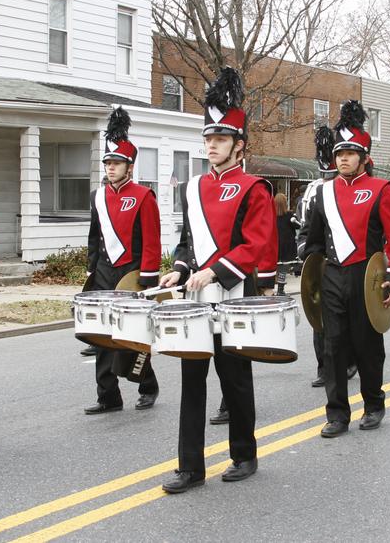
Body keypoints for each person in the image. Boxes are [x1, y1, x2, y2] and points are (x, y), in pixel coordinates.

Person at [157, 68, 276, 494]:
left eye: (220, 139)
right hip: (194, 300)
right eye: (208, 138)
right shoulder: (192, 188)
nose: (211, 145)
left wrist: (216, 271)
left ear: (239, 145)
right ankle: (190, 467)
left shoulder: (253, 187)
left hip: (233, 296)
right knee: (192, 381)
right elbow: (187, 242)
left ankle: (244, 454)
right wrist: (181, 267)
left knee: (235, 380)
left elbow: (256, 245)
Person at [303, 100, 390, 437]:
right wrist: (309, 273)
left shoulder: (381, 190)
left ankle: (374, 404)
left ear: (364, 157)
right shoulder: (324, 193)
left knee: (367, 346)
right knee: (333, 346)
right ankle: (337, 414)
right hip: (333, 275)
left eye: (350, 153)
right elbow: (315, 242)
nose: (343, 158)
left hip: (367, 276)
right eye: (339, 153)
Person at [82, 107, 161, 415]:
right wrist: (91, 267)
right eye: (108, 162)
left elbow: (152, 241)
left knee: (132, 336)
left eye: (116, 163)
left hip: (131, 272)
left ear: (129, 166)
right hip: (103, 272)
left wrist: (148, 279)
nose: (111, 168)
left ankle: (147, 385)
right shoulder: (97, 196)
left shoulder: (143, 196)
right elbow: (94, 236)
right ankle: (108, 396)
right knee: (102, 336)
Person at [295, 126, 357, 387]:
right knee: (318, 318)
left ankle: (351, 360)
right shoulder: (314, 193)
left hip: (349, 263)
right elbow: (303, 230)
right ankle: (324, 367)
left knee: (350, 317)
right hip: (320, 263)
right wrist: (307, 257)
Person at [274, 192, 298, 296]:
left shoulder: (271, 215)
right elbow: (297, 226)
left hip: (274, 243)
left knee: (274, 266)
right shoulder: (289, 215)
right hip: (287, 244)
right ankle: (280, 289)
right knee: (283, 267)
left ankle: (268, 289)